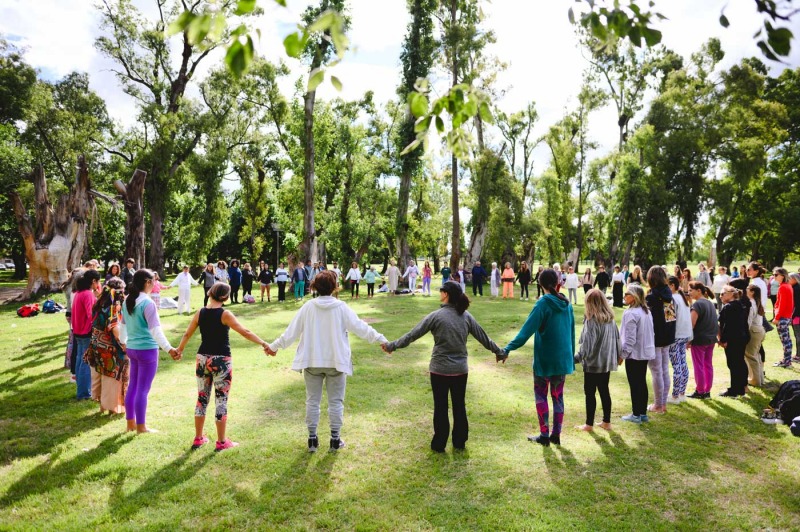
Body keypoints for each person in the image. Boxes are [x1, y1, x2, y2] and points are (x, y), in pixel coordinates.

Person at [266, 271, 388, 452]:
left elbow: (291, 332)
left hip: (312, 361)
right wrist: (381, 339)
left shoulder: (309, 307)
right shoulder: (340, 307)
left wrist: (274, 346)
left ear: (315, 286)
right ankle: (334, 439)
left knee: (312, 401)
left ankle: (312, 439)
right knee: (336, 402)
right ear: (334, 286)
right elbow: (361, 327)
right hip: (336, 362)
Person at [383, 281, 504, 452]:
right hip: (460, 371)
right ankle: (459, 441)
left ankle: (439, 443)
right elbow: (484, 338)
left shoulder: (436, 316)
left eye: (441, 291)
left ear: (446, 294)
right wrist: (500, 352)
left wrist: (392, 346)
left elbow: (412, 335)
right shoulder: (466, 316)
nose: (440, 293)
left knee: (440, 407)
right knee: (459, 405)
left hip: (439, 370)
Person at [176, 282, 272, 452]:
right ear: (226, 297)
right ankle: (221, 442)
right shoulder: (225, 314)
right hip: (221, 361)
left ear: (211, 293)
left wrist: (179, 350)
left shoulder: (201, 312)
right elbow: (245, 332)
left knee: (202, 398)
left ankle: (198, 438)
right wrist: (264, 343)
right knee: (221, 400)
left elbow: (187, 333)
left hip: (202, 359)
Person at [502, 269, 575, 446]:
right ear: (558, 283)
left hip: (545, 360)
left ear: (540, 284)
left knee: (541, 396)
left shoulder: (543, 303)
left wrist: (507, 349)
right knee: (558, 397)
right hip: (561, 360)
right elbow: (571, 334)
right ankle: (556, 434)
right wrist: (570, 357)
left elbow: (526, 331)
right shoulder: (567, 304)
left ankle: (544, 435)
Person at [119, 269, 180, 433]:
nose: (155, 283)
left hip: (132, 349)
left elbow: (122, 327)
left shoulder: (127, 301)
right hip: (147, 351)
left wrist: (123, 342)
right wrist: (169, 349)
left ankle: (130, 424)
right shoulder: (147, 303)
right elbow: (156, 331)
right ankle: (141, 427)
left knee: (133, 386)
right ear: (147, 282)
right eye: (153, 280)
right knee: (142, 390)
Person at [574, 289, 620, 432]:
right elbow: (618, 340)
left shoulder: (592, 321)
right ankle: (607, 421)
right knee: (604, 390)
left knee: (590, 393)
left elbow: (587, 345)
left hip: (593, 363)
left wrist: (576, 358)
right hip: (606, 362)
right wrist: (619, 356)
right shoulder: (610, 319)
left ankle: (589, 424)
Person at [86, 278, 128, 414]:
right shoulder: (113, 307)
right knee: (111, 379)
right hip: (110, 348)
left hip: (96, 345)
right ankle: (112, 408)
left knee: (101, 375)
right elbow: (114, 327)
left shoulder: (99, 303)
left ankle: (103, 406)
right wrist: (124, 345)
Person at [620, 285, 656, 423]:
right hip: (645, 352)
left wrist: (622, 355)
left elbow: (630, 339)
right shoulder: (645, 311)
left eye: (626, 294)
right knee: (641, 381)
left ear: (634, 296)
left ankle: (636, 414)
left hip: (634, 354)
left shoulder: (631, 313)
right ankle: (642, 413)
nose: (624, 296)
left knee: (635, 383)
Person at [645, 266, 676, 414]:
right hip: (667, 336)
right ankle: (662, 403)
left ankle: (659, 404)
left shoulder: (652, 296)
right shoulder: (668, 293)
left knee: (657, 371)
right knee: (663, 370)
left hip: (656, 338)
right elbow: (671, 318)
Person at [73, 269, 101, 400]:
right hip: (86, 331)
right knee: (85, 363)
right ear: (93, 281)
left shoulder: (79, 293)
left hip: (78, 331)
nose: (98, 285)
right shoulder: (88, 294)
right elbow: (91, 314)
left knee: (80, 360)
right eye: (97, 282)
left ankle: (81, 390)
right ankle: (83, 393)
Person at [717, 285, 750, 397]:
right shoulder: (740, 305)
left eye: (723, 293)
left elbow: (727, 326)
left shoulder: (729, 307)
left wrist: (723, 340)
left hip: (733, 339)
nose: (720, 296)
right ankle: (741, 387)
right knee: (739, 362)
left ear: (731, 294)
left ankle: (734, 390)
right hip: (742, 338)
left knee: (734, 364)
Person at [687, 282, 718, 399]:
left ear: (699, 290)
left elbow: (691, 324)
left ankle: (700, 391)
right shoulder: (709, 303)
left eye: (691, 290)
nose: (689, 293)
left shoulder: (698, 304)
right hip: (710, 339)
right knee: (707, 365)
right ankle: (707, 391)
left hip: (700, 340)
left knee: (699, 365)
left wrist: (688, 340)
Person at [667, 276, 692, 404]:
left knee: (677, 365)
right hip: (684, 334)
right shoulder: (682, 298)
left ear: (672, 285)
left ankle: (675, 396)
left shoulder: (671, 299)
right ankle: (681, 393)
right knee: (682, 364)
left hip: (676, 336)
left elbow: (669, 320)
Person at [772, 267, 794, 368]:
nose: (774, 277)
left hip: (783, 317)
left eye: (776, 275)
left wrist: (776, 317)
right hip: (786, 316)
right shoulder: (787, 286)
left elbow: (782, 304)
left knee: (785, 340)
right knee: (787, 340)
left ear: (782, 275)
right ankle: (787, 360)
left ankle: (787, 362)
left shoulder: (783, 287)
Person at [744, 284, 766, 387]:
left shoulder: (751, 303)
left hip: (753, 331)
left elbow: (749, 319)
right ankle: (760, 379)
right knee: (756, 355)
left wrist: (744, 333)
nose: (746, 290)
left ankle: (755, 381)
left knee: (751, 356)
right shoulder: (757, 302)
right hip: (759, 330)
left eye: (748, 289)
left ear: (752, 292)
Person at [790, 272, 800, 362]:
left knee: (798, 336)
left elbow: (796, 305)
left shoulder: (795, 289)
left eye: (790, 279)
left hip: (797, 316)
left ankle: (798, 355)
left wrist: (792, 316)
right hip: (797, 315)